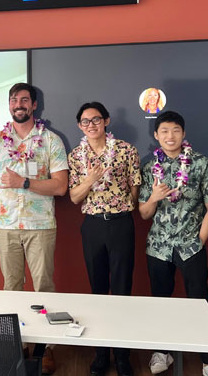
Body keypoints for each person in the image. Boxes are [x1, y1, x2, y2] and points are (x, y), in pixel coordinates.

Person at [0, 83, 68, 374]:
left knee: (43, 287)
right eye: (14, 100)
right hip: (5, 226)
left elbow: (61, 186)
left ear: (34, 106)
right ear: (9, 106)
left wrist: (25, 182)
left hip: (40, 225)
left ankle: (45, 348)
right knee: (11, 288)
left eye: (24, 100)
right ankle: (16, 345)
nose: (19, 104)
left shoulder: (51, 141)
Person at [138, 111, 208, 376]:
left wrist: (198, 241)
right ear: (156, 135)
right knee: (160, 300)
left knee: (200, 302)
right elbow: (144, 213)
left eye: (175, 130)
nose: (170, 136)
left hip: (192, 245)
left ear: (183, 133)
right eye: (164, 131)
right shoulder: (149, 166)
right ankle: (162, 352)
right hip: (158, 247)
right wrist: (153, 197)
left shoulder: (201, 164)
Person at [68, 101, 140, 376]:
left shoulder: (125, 150)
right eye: (85, 122)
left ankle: (122, 356)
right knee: (97, 290)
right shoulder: (76, 156)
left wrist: (122, 208)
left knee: (122, 290)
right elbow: (75, 197)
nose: (91, 125)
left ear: (106, 121)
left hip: (121, 224)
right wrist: (90, 179)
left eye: (96, 120)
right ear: (79, 126)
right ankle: (101, 354)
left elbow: (135, 189)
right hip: (93, 226)